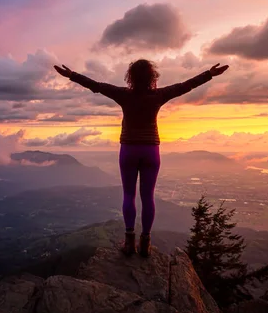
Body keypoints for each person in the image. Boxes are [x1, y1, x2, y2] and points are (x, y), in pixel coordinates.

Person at [53, 60, 229, 257]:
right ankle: (145, 243)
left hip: (128, 150)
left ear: (131, 76)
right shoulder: (158, 95)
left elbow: (97, 86)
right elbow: (185, 86)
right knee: (148, 197)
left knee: (129, 195)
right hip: (151, 151)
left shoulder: (124, 95)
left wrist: (72, 75)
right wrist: (209, 74)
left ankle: (129, 243)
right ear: (152, 77)